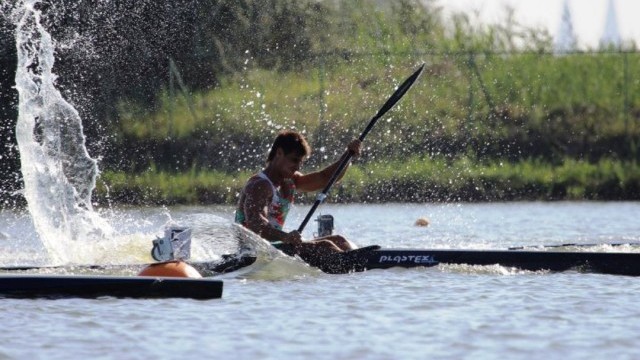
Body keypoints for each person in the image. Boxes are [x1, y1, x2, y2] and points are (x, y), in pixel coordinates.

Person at [235, 130, 361, 258]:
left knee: (339, 240)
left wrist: (348, 155)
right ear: (279, 153)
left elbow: (326, 178)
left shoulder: (290, 181)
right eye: (294, 160)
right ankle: (353, 262)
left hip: (277, 247)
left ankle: (357, 260)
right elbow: (255, 223)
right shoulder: (259, 185)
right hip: (253, 252)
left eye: (301, 162)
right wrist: (285, 237)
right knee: (325, 246)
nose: (298, 167)